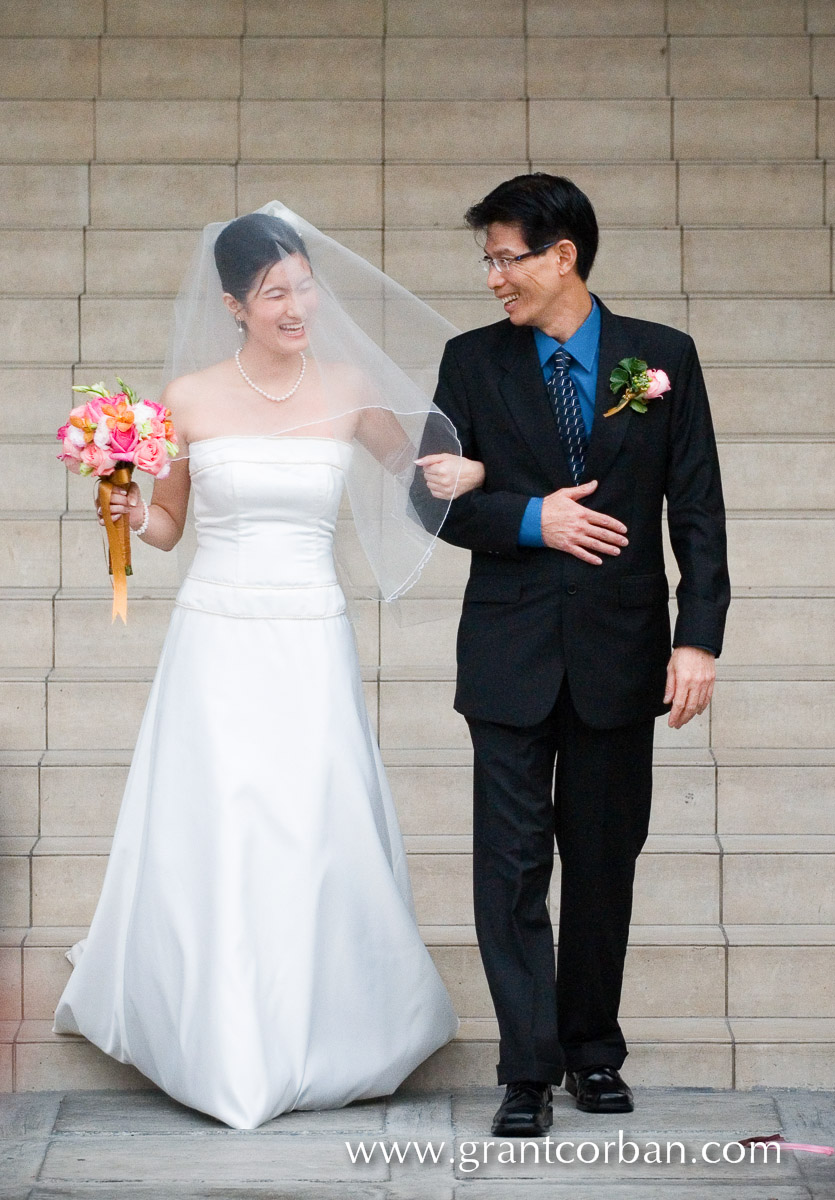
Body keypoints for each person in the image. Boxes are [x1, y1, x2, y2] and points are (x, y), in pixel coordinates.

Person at [52, 207, 486, 1130]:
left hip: (308, 630)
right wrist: (123, 506)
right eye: (274, 293)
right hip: (217, 632)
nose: (297, 305)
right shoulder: (192, 396)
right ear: (234, 305)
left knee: (309, 816)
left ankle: (331, 1024)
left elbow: (417, 467)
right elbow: (168, 529)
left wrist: (463, 476)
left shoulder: (350, 382)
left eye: (303, 285)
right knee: (227, 817)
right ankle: (217, 1034)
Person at [419, 174, 730, 1137]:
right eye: (487, 260)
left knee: (602, 861)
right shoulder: (469, 361)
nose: (492, 278)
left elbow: (699, 510)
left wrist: (697, 639)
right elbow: (426, 499)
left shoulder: (659, 358)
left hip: (619, 652)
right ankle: (526, 1068)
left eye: (505, 257)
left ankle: (593, 1052)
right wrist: (526, 516)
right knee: (509, 868)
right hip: (509, 652)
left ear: (564, 255)